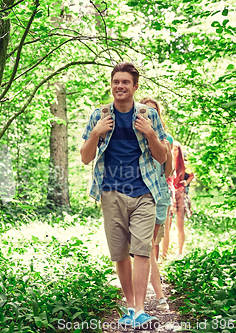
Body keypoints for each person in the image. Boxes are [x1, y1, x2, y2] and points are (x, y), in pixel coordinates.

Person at [80, 63, 167, 329]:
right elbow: (85, 157)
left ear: (135, 86)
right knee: (119, 253)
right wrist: (96, 133)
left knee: (141, 250)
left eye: (125, 82)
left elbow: (162, 156)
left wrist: (150, 133)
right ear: (111, 84)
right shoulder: (99, 116)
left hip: (144, 192)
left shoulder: (148, 115)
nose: (120, 86)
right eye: (116, 81)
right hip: (111, 192)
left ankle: (140, 309)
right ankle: (130, 307)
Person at [140, 97, 173, 311]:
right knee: (147, 247)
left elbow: (167, 172)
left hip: (160, 195)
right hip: (140, 193)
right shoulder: (134, 137)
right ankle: (158, 296)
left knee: (150, 246)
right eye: (146, 111)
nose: (150, 116)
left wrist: (167, 151)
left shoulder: (166, 137)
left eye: (154, 112)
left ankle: (145, 297)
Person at [162, 141, 189, 258]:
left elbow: (192, 174)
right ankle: (164, 255)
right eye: (172, 149)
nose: (174, 151)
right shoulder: (167, 161)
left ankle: (180, 252)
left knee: (180, 225)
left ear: (179, 151)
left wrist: (186, 182)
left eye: (176, 149)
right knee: (167, 226)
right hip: (169, 195)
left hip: (181, 195)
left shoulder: (183, 164)